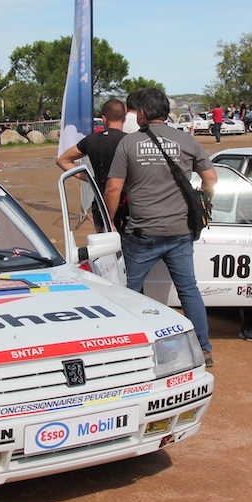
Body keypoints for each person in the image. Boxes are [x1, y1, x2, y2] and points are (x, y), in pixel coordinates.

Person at [103, 87, 217, 366]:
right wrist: (203, 200)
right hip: (180, 232)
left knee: (128, 291)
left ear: (141, 114)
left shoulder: (129, 144)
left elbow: (113, 188)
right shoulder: (187, 141)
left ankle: (130, 349)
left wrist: (110, 223)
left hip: (141, 234)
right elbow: (211, 178)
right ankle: (203, 348)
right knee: (188, 289)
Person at [56, 98, 126, 192]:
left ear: (104, 119)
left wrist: (91, 179)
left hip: (101, 199)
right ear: (124, 119)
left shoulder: (91, 140)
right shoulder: (130, 141)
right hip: (127, 200)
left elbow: (62, 161)